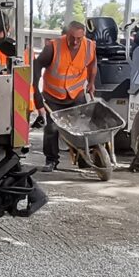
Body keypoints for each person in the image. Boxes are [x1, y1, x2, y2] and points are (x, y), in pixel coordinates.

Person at [33, 19, 97, 171]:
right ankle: (51, 160)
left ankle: (83, 157)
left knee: (82, 126)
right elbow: (37, 65)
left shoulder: (89, 46)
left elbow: (92, 64)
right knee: (52, 128)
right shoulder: (52, 47)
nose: (75, 42)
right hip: (54, 95)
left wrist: (91, 83)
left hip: (76, 94)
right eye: (72, 38)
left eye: (78, 39)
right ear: (66, 34)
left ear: (84, 36)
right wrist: (36, 90)